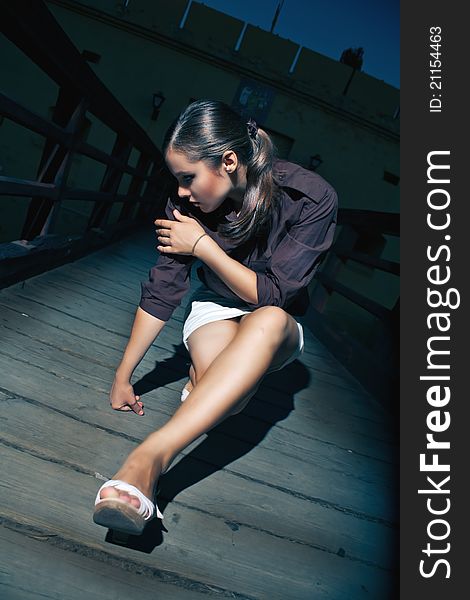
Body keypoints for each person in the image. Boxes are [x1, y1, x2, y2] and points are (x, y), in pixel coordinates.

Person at [93, 99, 338, 534]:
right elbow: (163, 290)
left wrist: (203, 246)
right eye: (177, 180)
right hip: (217, 308)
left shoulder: (311, 198)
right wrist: (123, 375)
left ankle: (147, 458)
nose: (182, 192)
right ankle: (209, 380)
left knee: (267, 321)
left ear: (228, 161)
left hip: (277, 322)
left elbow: (274, 295)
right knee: (232, 400)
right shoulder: (184, 207)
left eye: (188, 178)